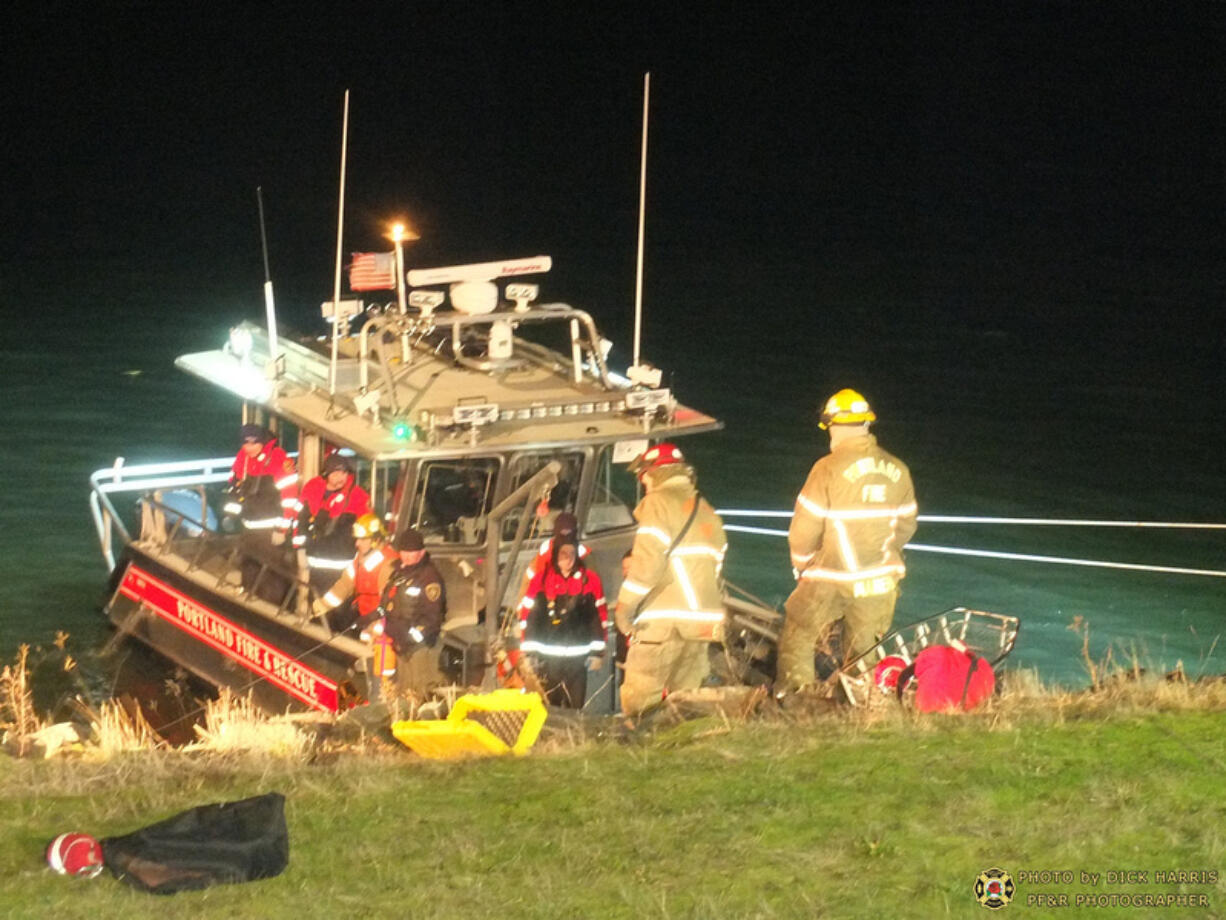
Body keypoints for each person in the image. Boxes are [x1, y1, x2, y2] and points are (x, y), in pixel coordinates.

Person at [776, 388, 918, 695]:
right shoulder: (899, 469)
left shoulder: (827, 468)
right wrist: (883, 551)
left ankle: (795, 697)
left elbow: (803, 529)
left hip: (833, 575)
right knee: (864, 650)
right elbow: (906, 525)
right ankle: (863, 702)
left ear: (833, 427)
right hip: (880, 579)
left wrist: (803, 565)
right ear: (866, 424)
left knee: (799, 631)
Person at [614, 443, 728, 715]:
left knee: (641, 697)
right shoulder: (705, 509)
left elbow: (647, 566)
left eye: (643, 478)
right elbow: (718, 559)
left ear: (651, 474)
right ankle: (682, 748)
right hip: (702, 625)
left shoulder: (657, 503)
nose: (643, 484)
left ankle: (642, 753)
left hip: (663, 625)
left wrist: (625, 608)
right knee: (687, 700)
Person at [517, 528, 608, 708]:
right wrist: (528, 654)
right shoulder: (541, 581)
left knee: (576, 710)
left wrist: (598, 653)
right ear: (556, 554)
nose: (568, 558)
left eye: (572, 553)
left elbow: (597, 617)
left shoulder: (589, 581)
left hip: (578, 662)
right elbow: (531, 618)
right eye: (564, 553)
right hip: (548, 663)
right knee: (550, 711)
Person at [223, 424, 298, 598]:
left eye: (253, 444)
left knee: (272, 574)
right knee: (248, 567)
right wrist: (230, 515)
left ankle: (272, 607)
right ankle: (248, 597)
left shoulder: (279, 459)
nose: (249, 448)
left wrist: (282, 530)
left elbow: (290, 498)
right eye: (245, 444)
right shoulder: (243, 458)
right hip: (248, 527)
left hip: (270, 532)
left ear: (262, 442)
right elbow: (234, 487)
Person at [379, 527, 447, 696]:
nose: (408, 556)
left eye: (412, 552)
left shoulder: (429, 578)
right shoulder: (398, 574)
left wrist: (411, 635)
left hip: (420, 649)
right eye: (404, 552)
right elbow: (389, 603)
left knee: (422, 693)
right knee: (404, 694)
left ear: (422, 552)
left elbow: (432, 618)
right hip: (402, 646)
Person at [293, 452, 371, 594]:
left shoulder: (357, 496)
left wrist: (364, 555)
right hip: (314, 562)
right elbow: (300, 520)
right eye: (335, 474)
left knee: (337, 607)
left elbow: (368, 528)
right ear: (326, 474)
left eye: (343, 473)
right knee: (314, 601)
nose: (340, 478)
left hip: (341, 565)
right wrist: (299, 548)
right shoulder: (312, 488)